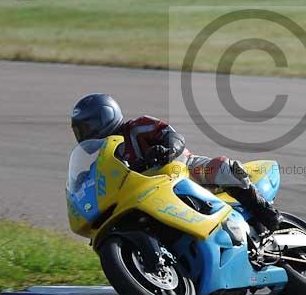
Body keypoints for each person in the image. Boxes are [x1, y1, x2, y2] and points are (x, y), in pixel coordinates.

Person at [70, 93, 280, 231]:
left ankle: (266, 213)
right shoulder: (102, 158)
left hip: (179, 169)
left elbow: (173, 136)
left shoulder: (137, 126)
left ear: (106, 117)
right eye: (80, 130)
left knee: (223, 168)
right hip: (146, 194)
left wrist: (166, 148)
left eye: (87, 127)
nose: (84, 134)